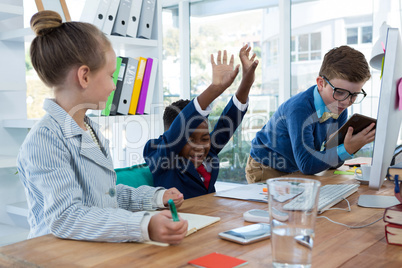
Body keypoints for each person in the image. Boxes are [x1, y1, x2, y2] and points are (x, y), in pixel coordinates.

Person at [17, 10, 188, 244]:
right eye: (111, 75)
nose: (113, 86)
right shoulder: (44, 140)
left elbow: (107, 196)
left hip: (92, 252)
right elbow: (66, 217)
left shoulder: (90, 128)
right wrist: (142, 225)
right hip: (56, 256)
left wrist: (156, 197)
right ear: (84, 76)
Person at [246, 45, 375, 183]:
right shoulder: (299, 109)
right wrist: (346, 149)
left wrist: (341, 147)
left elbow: (332, 163)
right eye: (339, 92)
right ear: (321, 83)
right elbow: (307, 165)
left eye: (354, 95)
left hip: (295, 167)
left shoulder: (339, 108)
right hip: (266, 167)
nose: (347, 101)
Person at [144, 45, 259, 199]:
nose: (200, 146)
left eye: (205, 138)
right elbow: (180, 128)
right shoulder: (160, 154)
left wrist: (246, 82)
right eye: (190, 139)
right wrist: (215, 89)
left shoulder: (208, 154)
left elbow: (228, 122)